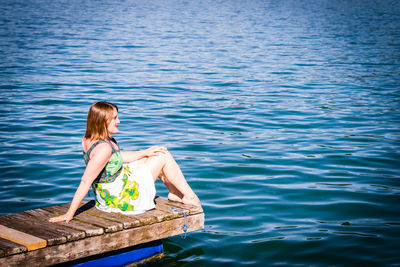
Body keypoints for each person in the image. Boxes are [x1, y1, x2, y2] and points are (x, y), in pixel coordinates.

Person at [49, 101, 200, 223]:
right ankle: (191, 197)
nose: (118, 121)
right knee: (163, 156)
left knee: (153, 155)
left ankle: (174, 193)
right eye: (114, 118)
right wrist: (69, 214)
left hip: (109, 193)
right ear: (102, 121)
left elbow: (117, 156)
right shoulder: (103, 149)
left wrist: (145, 153)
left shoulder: (90, 138)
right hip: (122, 200)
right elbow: (85, 181)